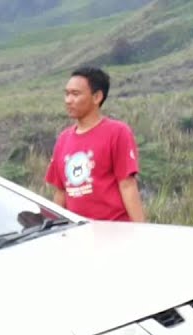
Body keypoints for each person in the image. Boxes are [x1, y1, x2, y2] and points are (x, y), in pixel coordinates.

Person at [43, 66, 146, 223]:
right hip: (77, 234)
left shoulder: (117, 132)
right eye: (67, 94)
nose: (68, 100)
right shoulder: (63, 139)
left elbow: (127, 185)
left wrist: (141, 231)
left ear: (97, 97)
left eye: (75, 94)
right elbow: (61, 193)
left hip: (114, 232)